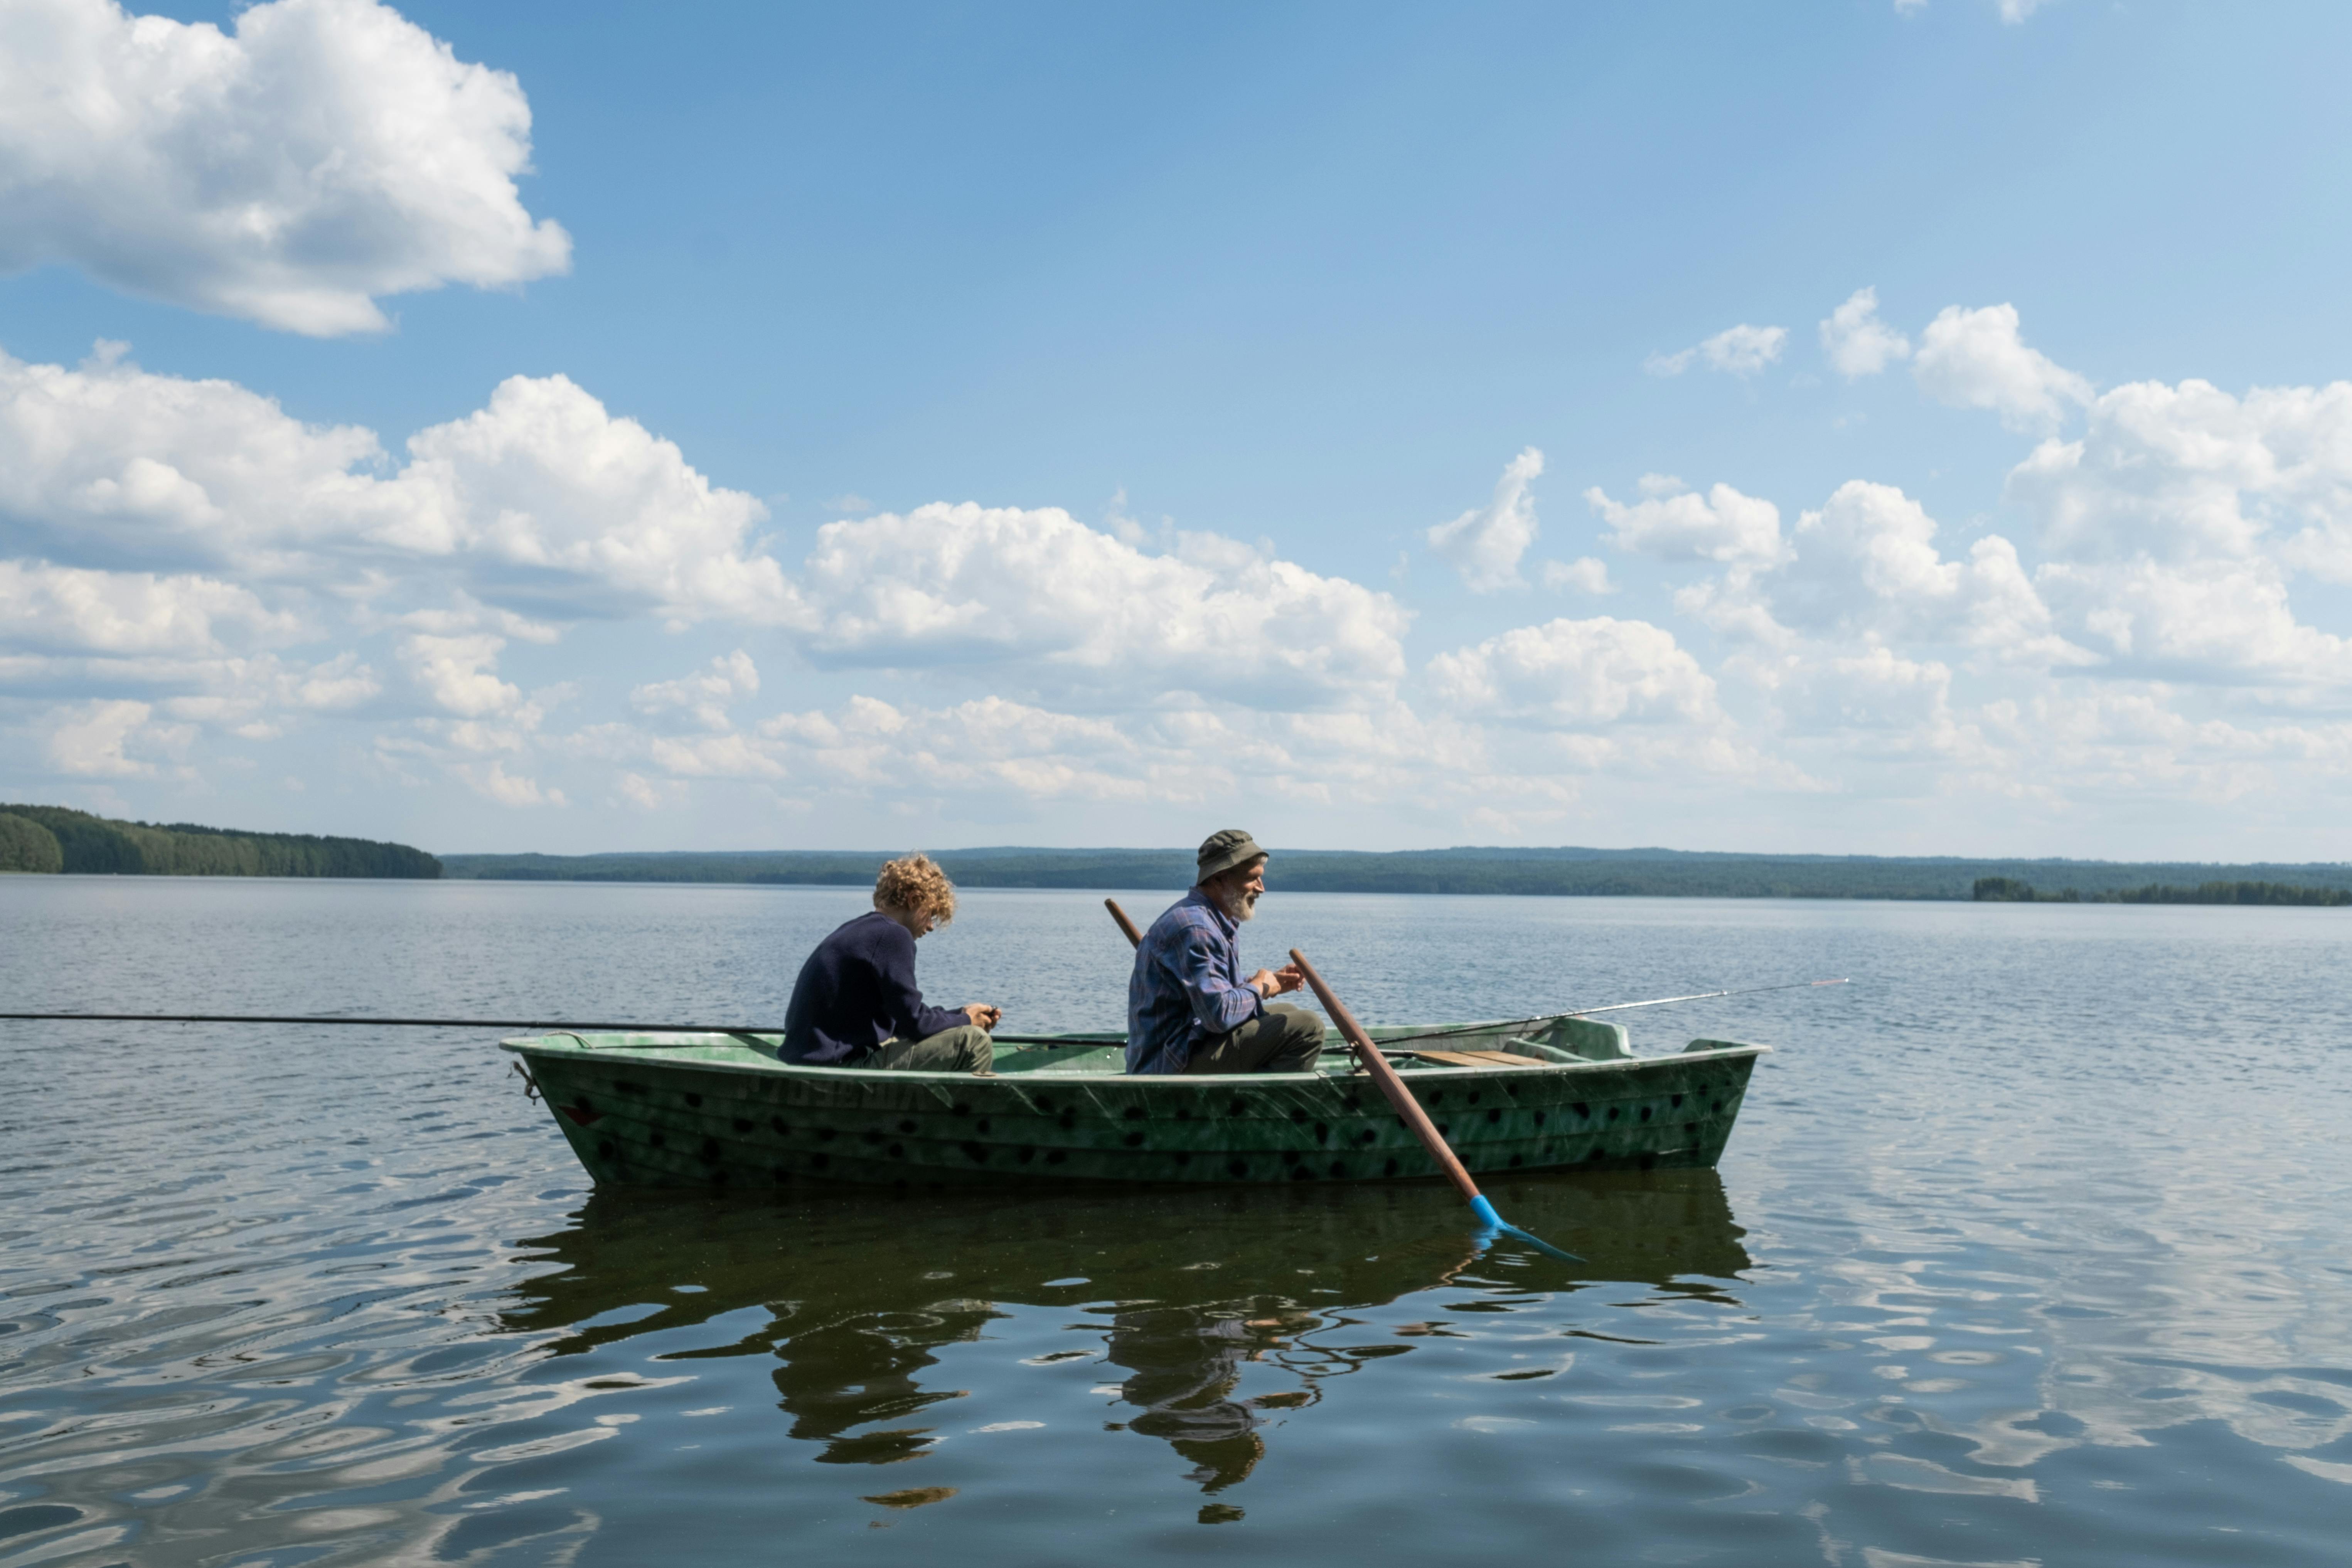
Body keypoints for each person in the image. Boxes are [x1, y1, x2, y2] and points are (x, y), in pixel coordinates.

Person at [1125, 829, 1326, 1075]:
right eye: (1253, 879)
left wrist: (1268, 982)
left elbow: (1212, 993)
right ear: (1220, 879)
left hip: (1184, 1045)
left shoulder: (1209, 919)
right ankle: (1251, 1108)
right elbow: (1218, 1016)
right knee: (1307, 1027)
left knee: (1288, 1013)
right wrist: (1259, 988)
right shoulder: (1197, 929)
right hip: (1168, 1065)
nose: (1261, 888)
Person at [782, 853, 1001, 1072]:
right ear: (914, 900)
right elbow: (916, 1025)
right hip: (839, 1066)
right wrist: (966, 1021)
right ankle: (965, 1107)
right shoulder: (893, 936)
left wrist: (960, 1014)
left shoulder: (861, 930)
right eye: (931, 914)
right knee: (975, 1041)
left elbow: (902, 1022)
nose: (931, 926)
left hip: (809, 1059)